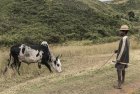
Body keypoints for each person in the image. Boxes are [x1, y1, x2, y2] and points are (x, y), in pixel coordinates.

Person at [114, 25, 130, 89]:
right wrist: (117, 50)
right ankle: (122, 80)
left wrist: (118, 59)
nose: (120, 32)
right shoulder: (127, 38)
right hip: (126, 57)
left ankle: (119, 85)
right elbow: (124, 48)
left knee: (118, 69)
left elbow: (123, 49)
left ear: (124, 31)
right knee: (123, 69)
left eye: (121, 31)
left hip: (122, 58)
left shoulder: (123, 38)